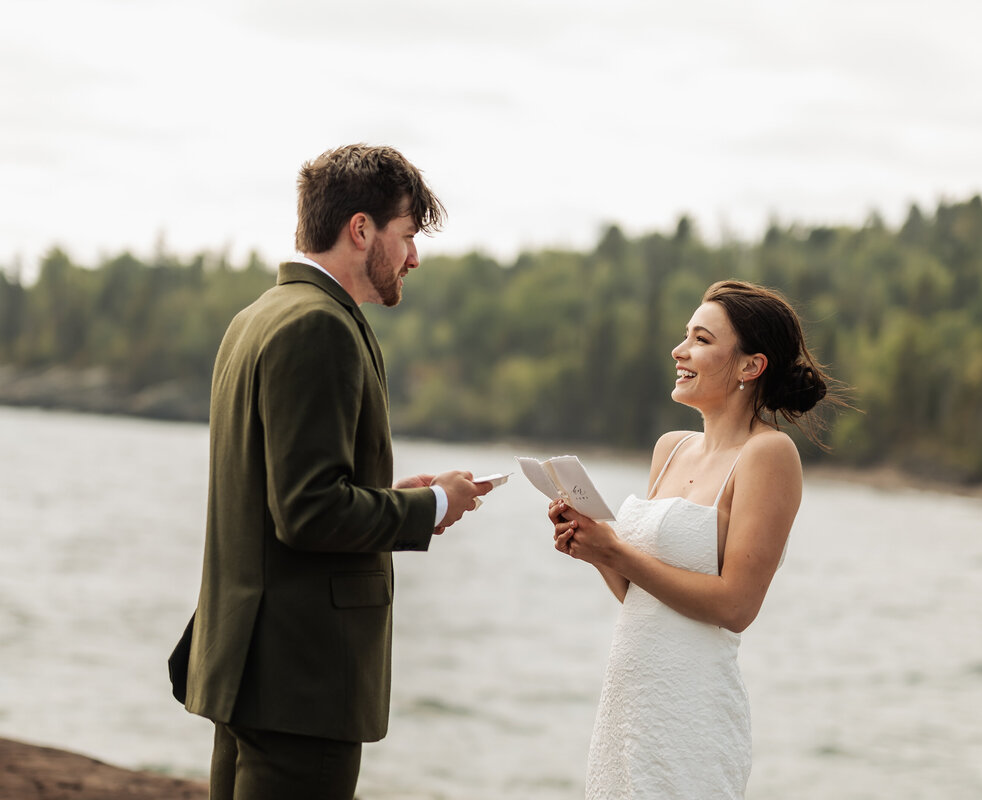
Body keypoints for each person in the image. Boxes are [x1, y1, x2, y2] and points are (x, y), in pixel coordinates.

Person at [172, 144, 491, 799]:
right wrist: (430, 509)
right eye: (406, 236)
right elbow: (309, 509)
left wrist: (386, 498)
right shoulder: (318, 326)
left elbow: (282, 493)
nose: (414, 258)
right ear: (360, 229)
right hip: (301, 681)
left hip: (250, 668)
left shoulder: (256, 318)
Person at [548, 279, 836, 799]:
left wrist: (618, 550)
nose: (679, 351)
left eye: (702, 340)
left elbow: (736, 606)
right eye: (686, 336)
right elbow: (639, 598)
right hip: (629, 707)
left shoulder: (768, 456)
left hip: (692, 713)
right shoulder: (670, 448)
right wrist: (595, 548)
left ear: (752, 365)